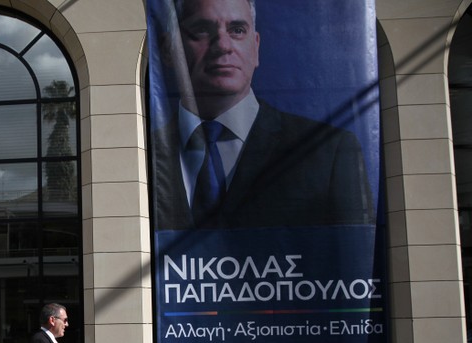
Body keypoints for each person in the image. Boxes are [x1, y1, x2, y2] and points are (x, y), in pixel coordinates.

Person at [152, 0, 374, 230]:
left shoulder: (329, 152)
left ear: (255, 47)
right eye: (201, 30)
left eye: (237, 30)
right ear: (169, 49)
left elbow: (352, 255)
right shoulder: (148, 155)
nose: (223, 45)